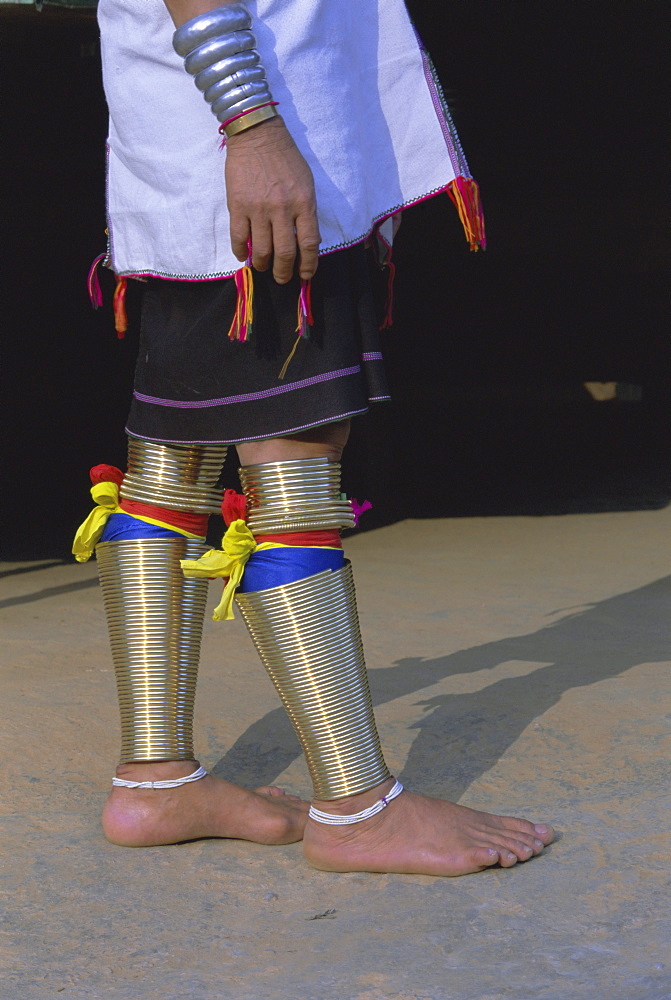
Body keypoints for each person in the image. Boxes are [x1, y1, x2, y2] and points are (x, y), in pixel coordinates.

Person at [74, 0, 553, 875]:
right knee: (291, 463)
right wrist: (252, 126)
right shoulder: (256, 138)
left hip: (202, 149)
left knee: (170, 469)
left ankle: (156, 779)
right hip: (258, 145)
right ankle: (357, 806)